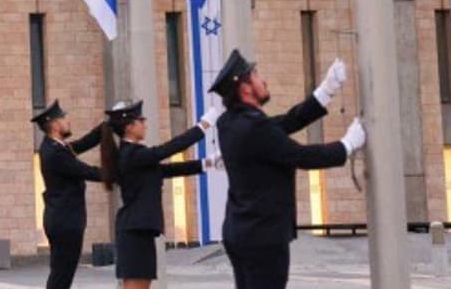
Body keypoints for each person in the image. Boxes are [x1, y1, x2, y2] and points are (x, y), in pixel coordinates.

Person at [211, 49, 367, 289]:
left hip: (241, 231)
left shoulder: (230, 123)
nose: (264, 80)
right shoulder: (253, 127)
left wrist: (325, 91)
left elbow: (284, 123)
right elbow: (300, 156)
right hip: (262, 235)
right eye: (256, 75)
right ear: (245, 88)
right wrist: (346, 146)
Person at [99, 100, 221, 289]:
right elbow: (169, 149)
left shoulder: (135, 155)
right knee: (135, 285)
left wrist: (207, 163)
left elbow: (167, 170)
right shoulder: (132, 155)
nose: (145, 124)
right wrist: (203, 126)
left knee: (143, 283)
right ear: (130, 127)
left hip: (139, 229)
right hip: (134, 230)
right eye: (141, 120)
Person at [31, 100, 108, 289]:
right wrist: (116, 173)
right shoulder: (54, 152)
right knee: (61, 275)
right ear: (55, 124)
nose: (67, 121)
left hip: (64, 220)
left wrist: (107, 125)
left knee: (62, 273)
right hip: (65, 222)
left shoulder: (56, 146)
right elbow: (85, 171)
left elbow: (84, 143)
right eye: (64, 118)